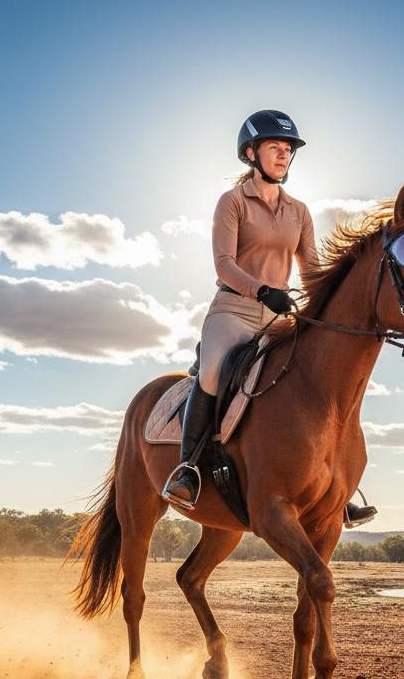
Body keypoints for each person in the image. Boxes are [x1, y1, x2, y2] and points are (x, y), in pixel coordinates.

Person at [161, 109, 377, 528]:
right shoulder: (232, 202)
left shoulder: (299, 211)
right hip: (234, 309)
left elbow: (311, 270)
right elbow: (224, 264)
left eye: (288, 149)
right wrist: (261, 290)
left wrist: (329, 303)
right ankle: (187, 470)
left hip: (279, 314)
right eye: (274, 147)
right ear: (250, 153)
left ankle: (335, 489)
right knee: (212, 373)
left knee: (318, 377)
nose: (283, 155)